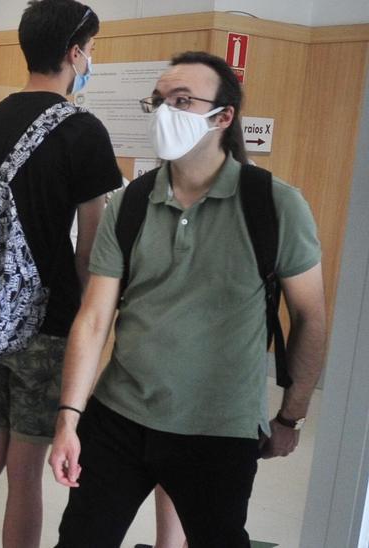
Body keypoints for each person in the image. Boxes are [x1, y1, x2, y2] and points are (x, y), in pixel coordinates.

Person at [49, 51, 328, 546]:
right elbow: (94, 319)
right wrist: (70, 418)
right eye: (158, 101)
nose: (164, 112)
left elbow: (310, 317)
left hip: (219, 429)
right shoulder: (131, 202)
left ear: (224, 117)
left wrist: (291, 415)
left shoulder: (275, 204)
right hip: (120, 416)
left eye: (181, 101)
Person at [0, 2, 122, 547]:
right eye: (90, 49)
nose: (90, 58)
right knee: (25, 471)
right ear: (74, 52)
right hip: (47, 324)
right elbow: (91, 251)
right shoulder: (83, 130)